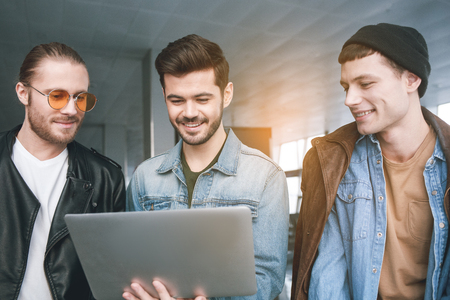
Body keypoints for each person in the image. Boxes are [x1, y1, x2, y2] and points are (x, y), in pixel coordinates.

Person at [291, 23, 450, 300]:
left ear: (411, 80)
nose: (350, 100)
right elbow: (328, 277)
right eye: (346, 87)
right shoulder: (335, 162)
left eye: (365, 83)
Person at [124, 34, 289, 300]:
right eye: (176, 100)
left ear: (226, 95)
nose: (189, 112)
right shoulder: (144, 177)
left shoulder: (266, 176)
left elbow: (266, 280)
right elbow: (133, 266)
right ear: (164, 96)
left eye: (202, 99)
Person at [0, 42, 126, 300]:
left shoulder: (106, 179)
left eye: (81, 97)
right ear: (23, 93)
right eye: (57, 96)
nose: (71, 110)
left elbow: (114, 277)